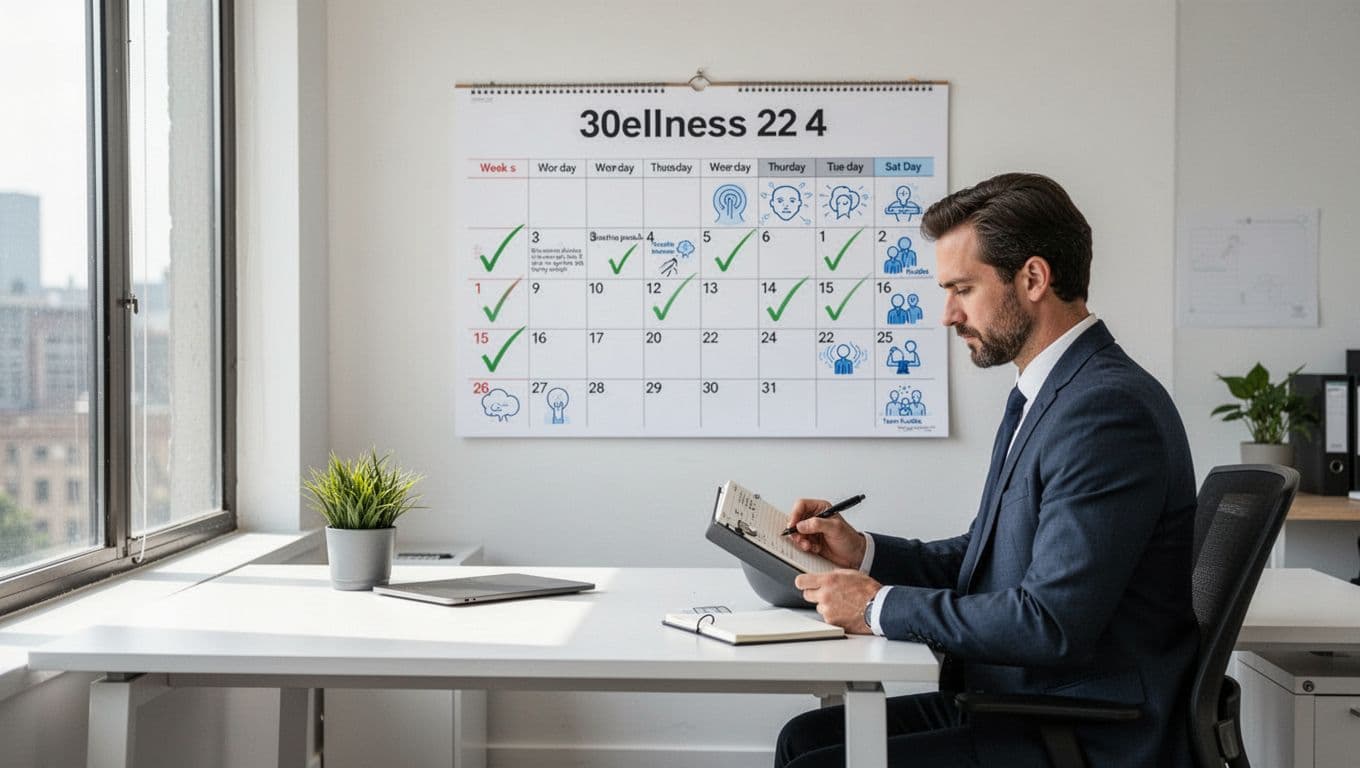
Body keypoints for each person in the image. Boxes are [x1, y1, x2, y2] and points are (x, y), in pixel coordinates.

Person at [775, 173, 1198, 768]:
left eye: (963, 288)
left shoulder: (1106, 411)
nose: (947, 315)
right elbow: (989, 556)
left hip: (1086, 729)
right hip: (1022, 700)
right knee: (807, 738)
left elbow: (1051, 621)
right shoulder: (1046, 392)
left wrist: (877, 607)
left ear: (1032, 278)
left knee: (819, 762)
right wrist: (863, 552)